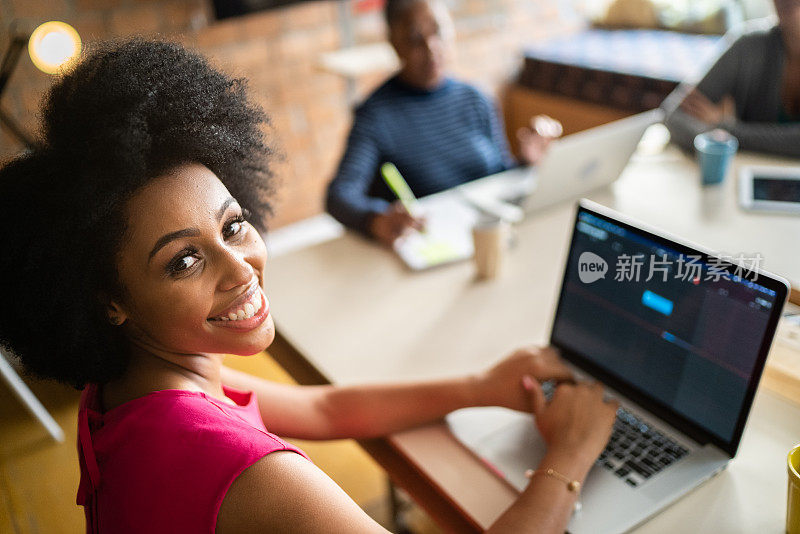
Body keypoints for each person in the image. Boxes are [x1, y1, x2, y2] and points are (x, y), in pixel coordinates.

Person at [0, 39, 617, 533]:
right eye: (183, 261)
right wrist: (570, 456)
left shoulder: (141, 385)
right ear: (107, 299)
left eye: (233, 225)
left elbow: (326, 407)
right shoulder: (238, 467)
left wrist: (479, 386)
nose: (241, 267)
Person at [326, 0, 561, 247]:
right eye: (415, 38)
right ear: (394, 43)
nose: (431, 48)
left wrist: (524, 163)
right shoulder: (376, 116)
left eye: (438, 31)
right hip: (431, 244)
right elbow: (340, 196)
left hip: (489, 236)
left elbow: (496, 176)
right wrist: (376, 219)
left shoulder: (476, 99)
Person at [665, 0, 800, 158]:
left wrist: (726, 130)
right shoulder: (748, 46)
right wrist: (716, 140)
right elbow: (674, 114)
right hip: (746, 172)